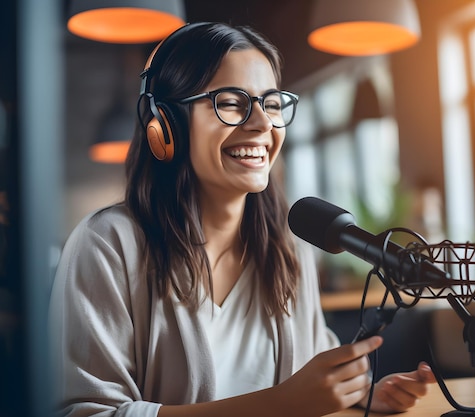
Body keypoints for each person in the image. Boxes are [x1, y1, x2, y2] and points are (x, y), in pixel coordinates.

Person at [48, 22, 436, 417]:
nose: (263, 124)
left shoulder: (288, 245)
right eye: (231, 103)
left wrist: (361, 393)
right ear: (166, 125)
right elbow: (87, 413)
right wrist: (279, 405)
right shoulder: (107, 245)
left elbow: (308, 368)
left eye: (271, 104)